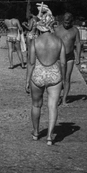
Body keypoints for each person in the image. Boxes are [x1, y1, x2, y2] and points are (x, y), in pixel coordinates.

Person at [25, 15, 66, 146]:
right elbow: (64, 63)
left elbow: (31, 63)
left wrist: (27, 80)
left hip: (38, 73)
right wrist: (64, 80)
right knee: (53, 106)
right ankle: (49, 137)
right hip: (54, 74)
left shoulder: (35, 42)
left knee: (36, 104)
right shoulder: (59, 41)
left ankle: (36, 132)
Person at [53, 12, 82, 106]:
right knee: (59, 78)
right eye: (65, 22)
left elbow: (78, 43)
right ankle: (57, 97)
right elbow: (52, 42)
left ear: (71, 22)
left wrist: (78, 57)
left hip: (70, 56)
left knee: (67, 78)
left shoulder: (75, 30)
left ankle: (64, 99)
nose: (66, 24)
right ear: (63, 21)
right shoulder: (57, 30)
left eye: (68, 23)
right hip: (58, 56)